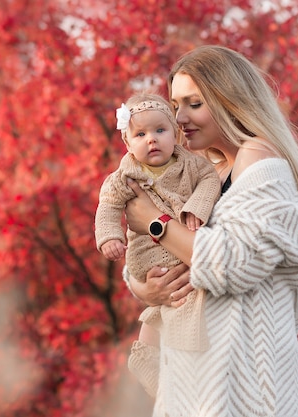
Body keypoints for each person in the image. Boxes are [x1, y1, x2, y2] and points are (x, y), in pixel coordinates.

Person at [122, 45, 298, 416]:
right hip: (196, 394)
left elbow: (232, 264)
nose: (179, 116)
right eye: (175, 104)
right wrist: (147, 288)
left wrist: (155, 221)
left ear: (229, 101)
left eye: (194, 103)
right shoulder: (200, 172)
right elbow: (146, 256)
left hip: (247, 397)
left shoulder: (261, 160)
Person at [94, 93, 221, 397]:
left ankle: (159, 365)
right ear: (127, 143)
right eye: (140, 134)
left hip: (181, 251)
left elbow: (209, 181)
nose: (151, 140)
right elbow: (108, 206)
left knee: (176, 303)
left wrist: (198, 208)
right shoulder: (124, 175)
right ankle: (154, 362)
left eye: (160, 131)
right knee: (164, 299)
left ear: (175, 134)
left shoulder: (191, 164)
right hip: (147, 254)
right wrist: (109, 236)